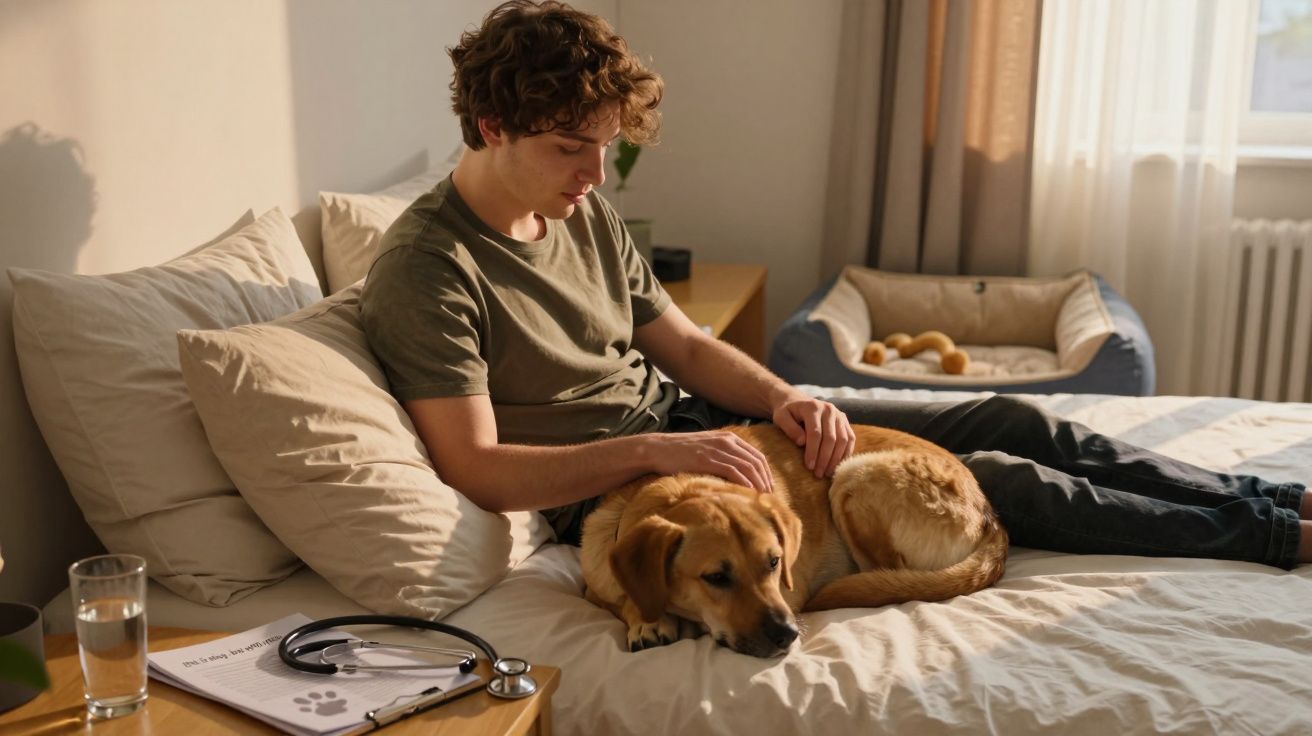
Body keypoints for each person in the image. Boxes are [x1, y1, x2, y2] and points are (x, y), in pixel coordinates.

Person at [361, 0, 1310, 569]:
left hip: (695, 429)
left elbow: (683, 345)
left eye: (606, 148)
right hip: (623, 488)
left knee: (1014, 420)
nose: (595, 175)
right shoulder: (428, 266)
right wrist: (656, 456)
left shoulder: (578, 209)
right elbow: (475, 467)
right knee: (988, 484)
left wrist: (789, 400)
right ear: (490, 126)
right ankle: (1272, 543)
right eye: (573, 148)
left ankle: (1268, 500)